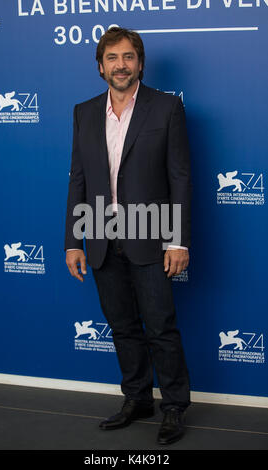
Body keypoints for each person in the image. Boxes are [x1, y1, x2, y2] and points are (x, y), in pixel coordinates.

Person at [64, 27, 192, 445]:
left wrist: (177, 240)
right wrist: (73, 240)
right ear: (101, 67)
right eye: (113, 58)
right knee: (122, 326)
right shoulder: (84, 112)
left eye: (129, 57)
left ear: (140, 63)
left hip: (151, 236)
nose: (121, 65)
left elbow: (179, 178)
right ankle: (137, 398)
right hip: (101, 237)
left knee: (160, 327)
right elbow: (78, 181)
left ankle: (173, 407)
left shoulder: (166, 108)